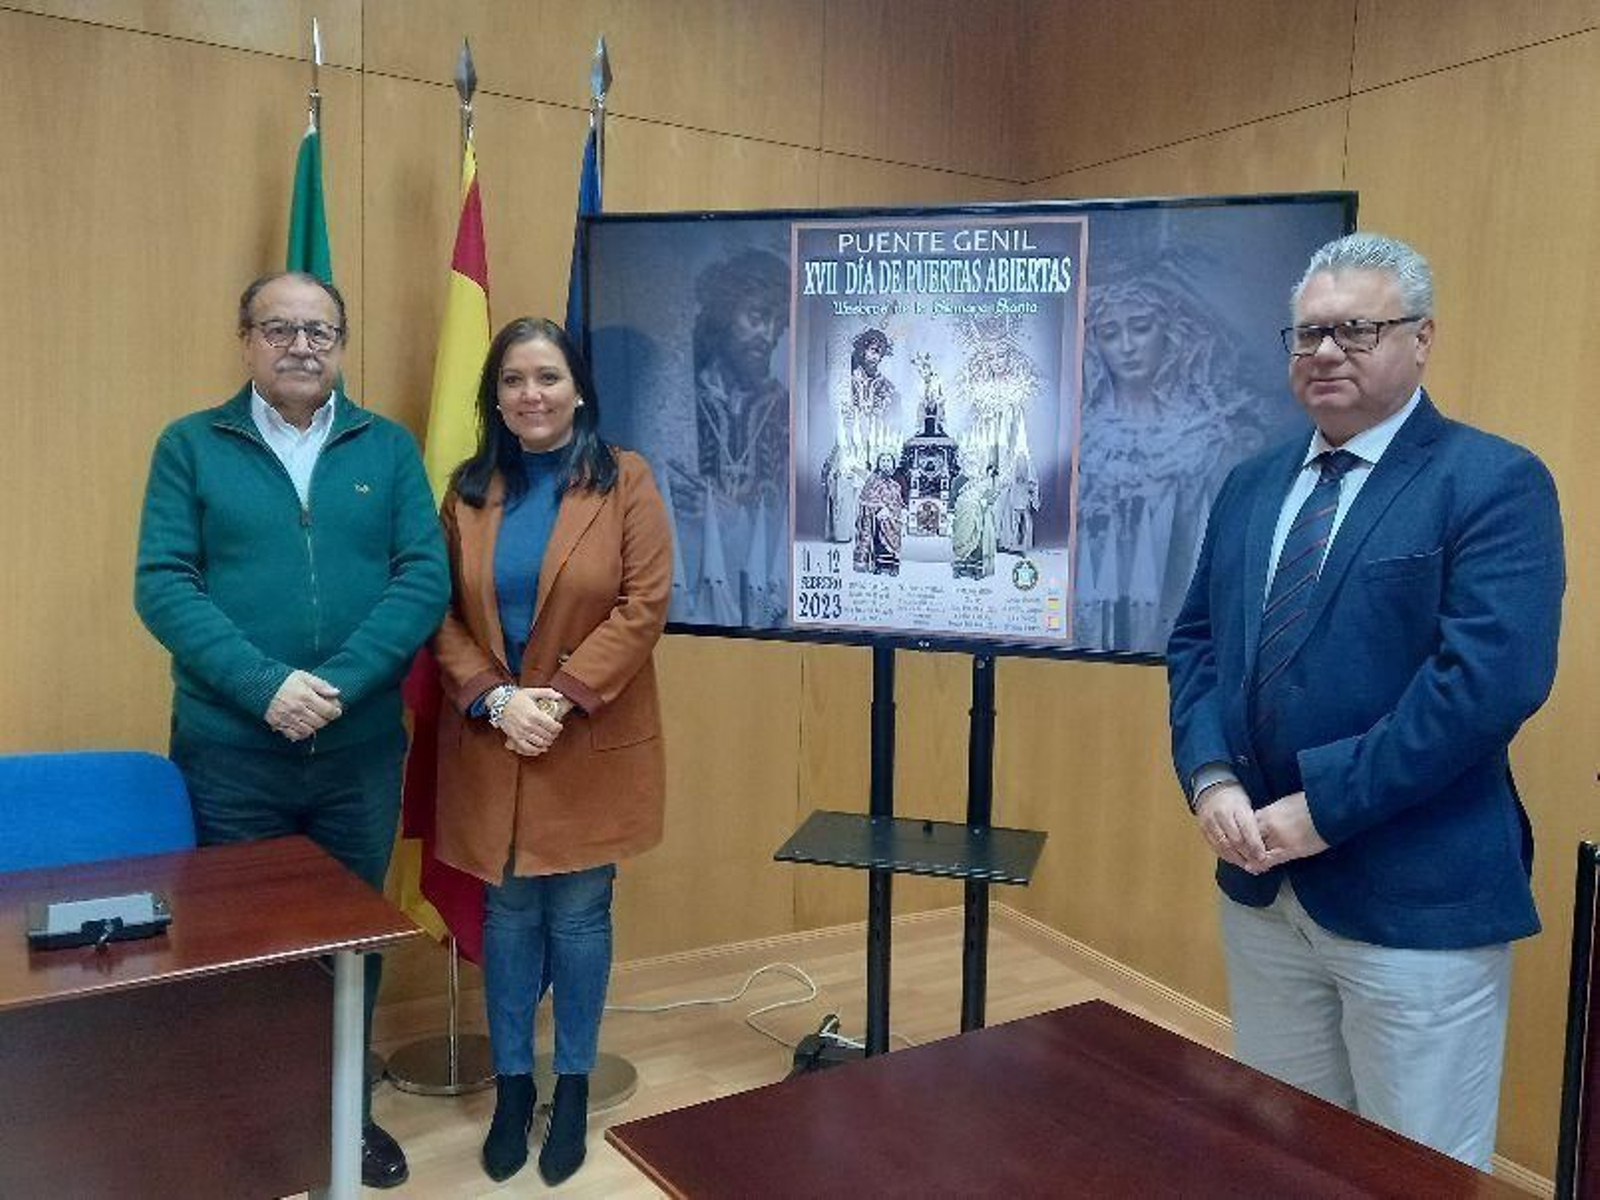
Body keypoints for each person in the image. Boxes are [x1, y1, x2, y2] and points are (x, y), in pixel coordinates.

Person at [1167, 233, 1565, 1168]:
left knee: (1414, 1167)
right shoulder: (1251, 484)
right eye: (1308, 333)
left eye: (1357, 330)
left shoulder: (1493, 482)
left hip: (1415, 901)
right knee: (1282, 1147)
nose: (1326, 352)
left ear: (1421, 339)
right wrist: (1211, 776)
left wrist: (1323, 809)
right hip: (1264, 890)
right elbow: (1197, 645)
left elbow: (1486, 686)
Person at [134, 271, 449, 1190]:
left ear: (341, 344)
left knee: (352, 944)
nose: (301, 346)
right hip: (232, 757)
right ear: (246, 340)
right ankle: (257, 1128)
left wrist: (338, 687)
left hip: (358, 756)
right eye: (280, 329)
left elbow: (423, 579)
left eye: (319, 331)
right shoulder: (191, 445)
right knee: (243, 951)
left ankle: (345, 1116)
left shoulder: (386, 448)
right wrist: (264, 686)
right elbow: (164, 584)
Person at [428, 318, 672, 1186]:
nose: (531, 394)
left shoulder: (625, 479)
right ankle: (512, 1089)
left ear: (578, 390)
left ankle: (570, 1086)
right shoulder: (466, 491)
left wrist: (558, 698)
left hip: (585, 738)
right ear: (494, 397)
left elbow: (644, 604)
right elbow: (435, 610)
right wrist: (499, 700)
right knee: (508, 919)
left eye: (548, 377)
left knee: (577, 917)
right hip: (493, 735)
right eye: (514, 380)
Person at [1075, 260, 1278, 654]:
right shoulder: (1082, 436)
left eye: (1140, 327)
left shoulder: (1208, 437)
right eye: (1110, 333)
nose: (1127, 347)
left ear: (1168, 331)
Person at [668, 247, 789, 626]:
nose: (769, 335)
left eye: (779, 323)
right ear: (723, 312)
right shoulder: (677, 400)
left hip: (761, 608)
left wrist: (734, 519)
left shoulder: (784, 408)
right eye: (758, 316)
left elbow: (788, 523)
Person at [853, 452, 905, 575]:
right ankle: (878, 565)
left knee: (894, 540)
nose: (886, 464)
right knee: (878, 538)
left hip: (893, 520)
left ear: (893, 464)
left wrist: (894, 511)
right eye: (883, 461)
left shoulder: (896, 485)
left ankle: (893, 566)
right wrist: (879, 508)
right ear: (878, 464)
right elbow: (866, 498)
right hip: (877, 519)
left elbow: (899, 502)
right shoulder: (872, 481)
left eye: (888, 461)